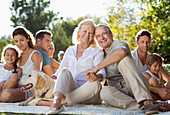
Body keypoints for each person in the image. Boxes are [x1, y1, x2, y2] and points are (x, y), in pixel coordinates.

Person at [86, 25, 159, 115]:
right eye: (98, 36)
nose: (102, 38)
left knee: (123, 60)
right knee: (104, 92)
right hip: (120, 93)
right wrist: (95, 76)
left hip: (134, 86)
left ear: (111, 34)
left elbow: (122, 52)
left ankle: (147, 102)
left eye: (104, 33)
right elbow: (102, 75)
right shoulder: (100, 54)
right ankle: (143, 107)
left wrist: (96, 68)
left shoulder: (119, 44)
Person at [50, 19, 106, 109]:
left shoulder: (97, 51)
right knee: (64, 71)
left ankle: (63, 102)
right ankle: (56, 101)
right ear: (79, 32)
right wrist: (53, 78)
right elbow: (60, 70)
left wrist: (97, 76)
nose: (87, 35)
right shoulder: (70, 50)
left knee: (96, 84)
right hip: (72, 90)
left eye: (91, 33)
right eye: (84, 31)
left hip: (89, 93)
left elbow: (102, 72)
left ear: (94, 36)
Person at [0, 26, 42, 102]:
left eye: (21, 40)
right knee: (14, 77)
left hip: (29, 88)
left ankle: (2, 96)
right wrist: (5, 82)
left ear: (28, 39)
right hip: (18, 85)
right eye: (16, 41)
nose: (19, 44)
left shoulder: (35, 54)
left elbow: (38, 75)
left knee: (5, 95)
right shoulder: (19, 56)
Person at [132, 29, 170, 101]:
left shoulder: (152, 58)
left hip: (155, 89)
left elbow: (167, 78)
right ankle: (160, 99)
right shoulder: (132, 58)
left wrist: (165, 90)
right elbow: (135, 84)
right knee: (150, 86)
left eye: (148, 42)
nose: (145, 45)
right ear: (137, 42)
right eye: (142, 42)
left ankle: (163, 97)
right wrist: (158, 90)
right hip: (141, 89)